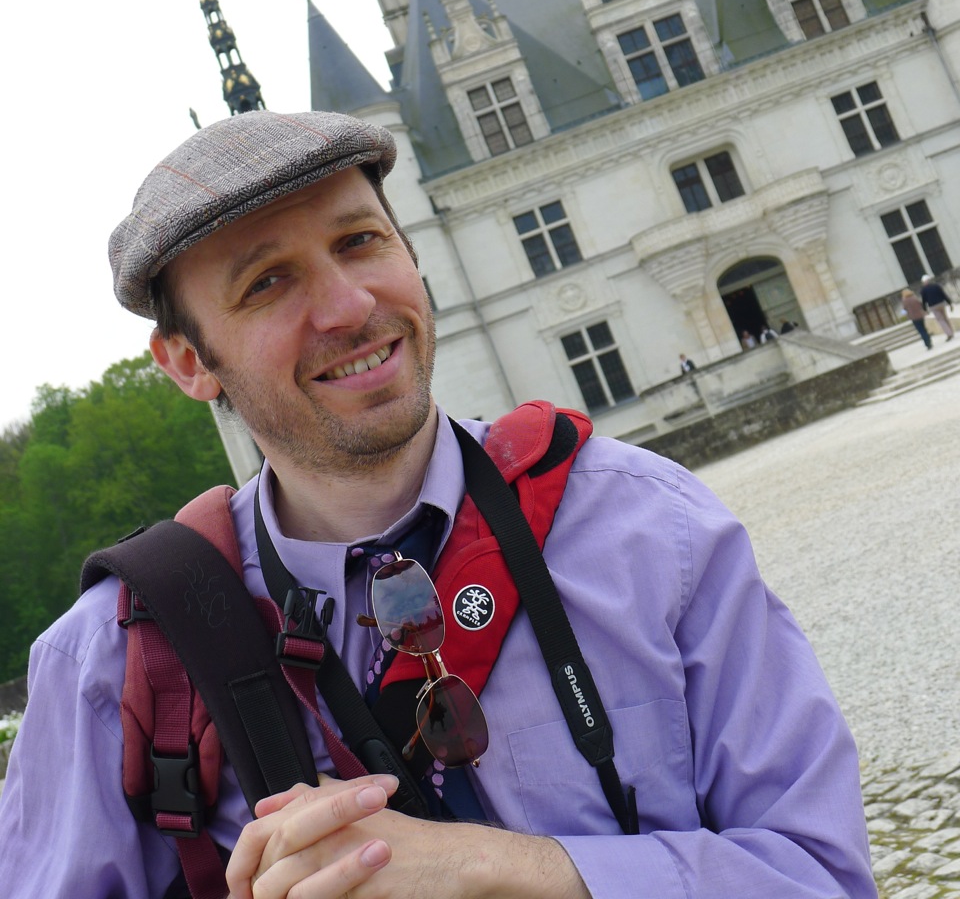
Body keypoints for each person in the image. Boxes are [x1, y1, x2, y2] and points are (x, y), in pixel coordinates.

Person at [0, 110, 877, 899]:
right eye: (267, 282)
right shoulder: (109, 665)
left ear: (410, 252)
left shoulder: (654, 530)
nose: (349, 306)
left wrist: (500, 869)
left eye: (359, 242)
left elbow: (822, 876)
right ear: (188, 362)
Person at [919, 274, 956, 341]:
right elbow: (943, 294)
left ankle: (949, 333)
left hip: (933, 306)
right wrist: (949, 303)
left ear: (924, 282)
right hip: (941, 303)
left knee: (941, 320)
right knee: (945, 318)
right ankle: (951, 332)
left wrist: (925, 309)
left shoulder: (923, 290)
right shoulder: (936, 286)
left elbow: (924, 300)